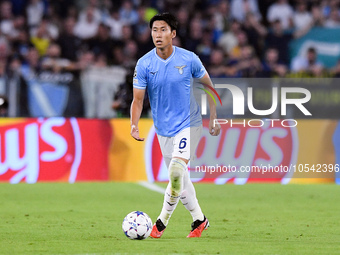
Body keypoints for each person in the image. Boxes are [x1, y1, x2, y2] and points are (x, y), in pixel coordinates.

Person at [130, 13, 220, 238]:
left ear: (173, 33)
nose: (158, 35)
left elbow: (208, 86)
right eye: (154, 30)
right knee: (180, 180)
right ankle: (199, 220)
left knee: (177, 172)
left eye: (162, 30)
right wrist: (134, 124)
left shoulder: (189, 59)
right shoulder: (144, 63)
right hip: (163, 129)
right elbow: (138, 99)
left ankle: (161, 222)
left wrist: (215, 117)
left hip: (189, 123)